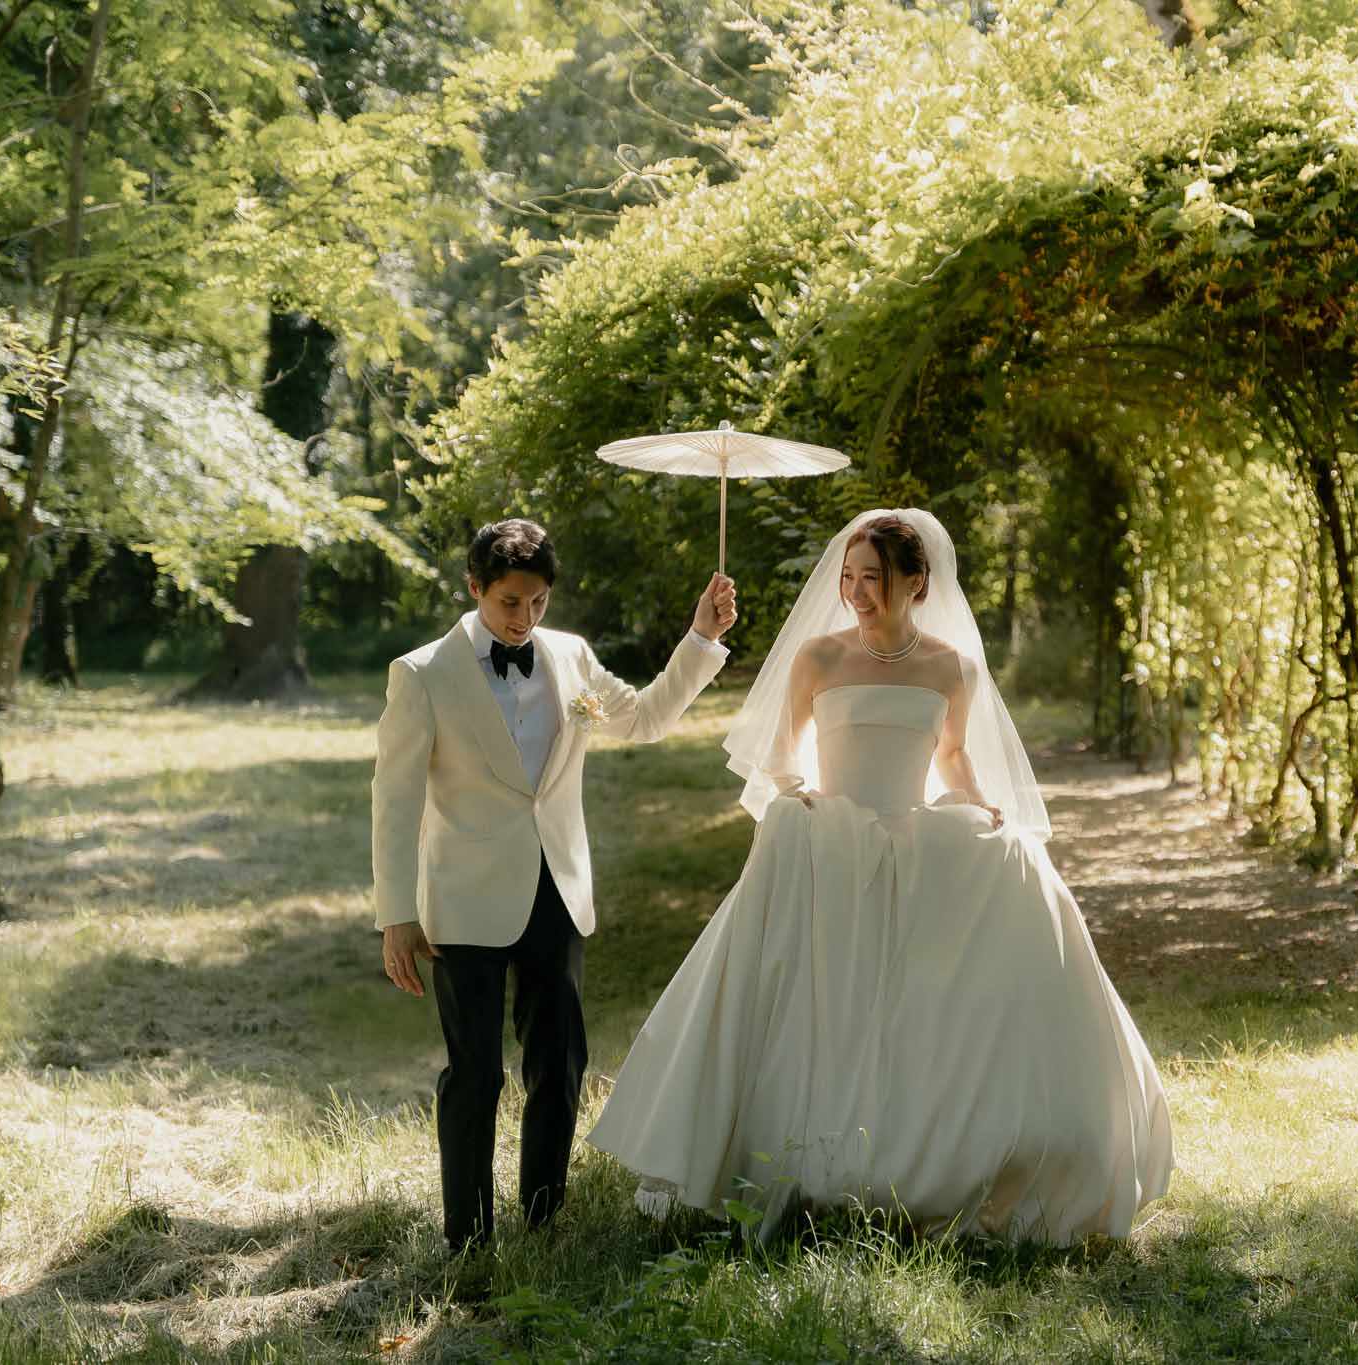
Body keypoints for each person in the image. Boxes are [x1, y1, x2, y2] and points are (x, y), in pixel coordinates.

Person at [588, 509, 1171, 1245]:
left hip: (910, 839)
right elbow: (779, 755)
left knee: (938, 971)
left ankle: (929, 1148)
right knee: (819, 998)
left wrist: (978, 803)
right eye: (851, 577)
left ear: (917, 582)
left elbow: (951, 757)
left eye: (875, 578)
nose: (858, 591)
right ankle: (797, 1153)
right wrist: (795, 792)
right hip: (833, 838)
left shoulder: (950, 667)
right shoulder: (820, 658)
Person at [370, 518, 737, 1253]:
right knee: (475, 1075)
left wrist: (701, 638)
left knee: (561, 1064)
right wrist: (396, 914)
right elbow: (395, 797)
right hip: (463, 900)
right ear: (474, 588)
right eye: (509, 601)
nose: (524, 617)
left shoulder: (569, 655)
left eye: (537, 602)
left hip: (557, 888)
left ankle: (543, 1218)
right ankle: (467, 1239)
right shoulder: (422, 673)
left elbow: (644, 718)